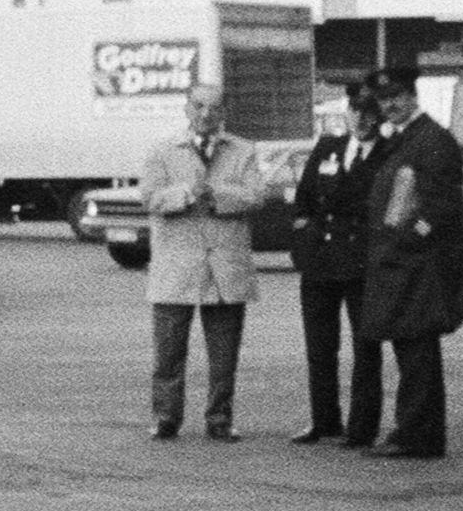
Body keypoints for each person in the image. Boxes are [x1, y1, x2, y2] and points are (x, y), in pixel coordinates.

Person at [354, 68, 463, 461]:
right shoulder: (407, 139)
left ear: (412, 95)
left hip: (419, 265)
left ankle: (418, 435)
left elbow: (441, 207)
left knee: (418, 349)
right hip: (401, 264)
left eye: (397, 97)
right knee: (409, 348)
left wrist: (413, 236)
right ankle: (414, 431)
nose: (389, 105)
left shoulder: (433, 139)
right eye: (384, 99)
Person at [140, 87, 262, 440]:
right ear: (186, 109)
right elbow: (149, 197)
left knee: (224, 354)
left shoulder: (243, 150)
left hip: (225, 266)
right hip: (175, 267)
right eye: (199, 106)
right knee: (168, 353)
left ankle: (220, 417)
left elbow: (256, 196)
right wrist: (186, 193)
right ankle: (165, 416)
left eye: (214, 107)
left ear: (224, 111)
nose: (206, 114)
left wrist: (218, 195)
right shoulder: (162, 150)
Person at [286, 84, 384, 446]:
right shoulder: (329, 148)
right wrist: (304, 241)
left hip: (362, 265)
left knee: (365, 348)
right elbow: (304, 201)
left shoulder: (386, 155)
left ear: (380, 116)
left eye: (369, 112)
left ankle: (362, 427)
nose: (361, 119)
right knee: (320, 347)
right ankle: (324, 419)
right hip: (322, 263)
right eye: (356, 111)